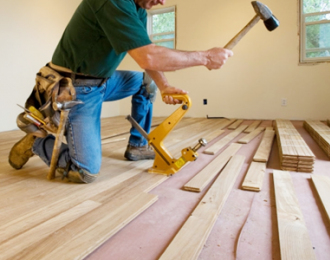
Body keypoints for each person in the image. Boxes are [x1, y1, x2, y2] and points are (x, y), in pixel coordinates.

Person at [8, 0, 233, 184]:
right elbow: (149, 56)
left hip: (102, 81)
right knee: (85, 171)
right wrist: (205, 57)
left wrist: (164, 86)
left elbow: (146, 52)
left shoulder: (138, 7)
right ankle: (37, 143)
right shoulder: (112, 2)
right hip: (75, 89)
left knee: (146, 82)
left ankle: (137, 145)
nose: (162, 1)